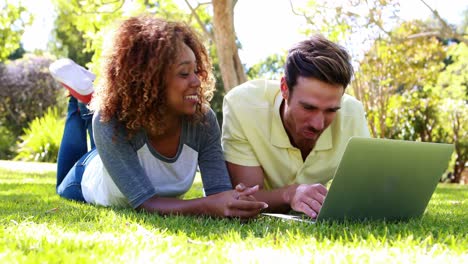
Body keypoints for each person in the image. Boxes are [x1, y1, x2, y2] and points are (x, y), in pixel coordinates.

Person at [52, 15, 267, 219]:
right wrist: (207, 206)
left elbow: (218, 192)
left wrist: (235, 200)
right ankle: (77, 101)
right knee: (62, 183)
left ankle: (86, 95)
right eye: (184, 73)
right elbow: (146, 203)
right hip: (87, 176)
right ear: (149, 80)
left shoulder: (203, 120)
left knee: (105, 121)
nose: (196, 82)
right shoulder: (109, 121)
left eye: (196, 71)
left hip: (119, 145)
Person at [222, 35, 370, 219]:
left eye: (331, 110)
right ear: (284, 88)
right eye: (308, 107)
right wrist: (290, 194)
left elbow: (365, 192)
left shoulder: (352, 113)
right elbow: (247, 200)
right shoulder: (243, 105)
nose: (318, 124)